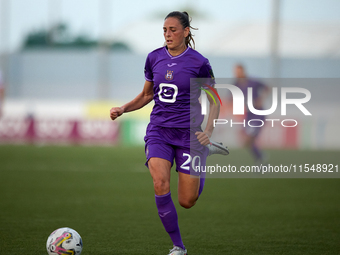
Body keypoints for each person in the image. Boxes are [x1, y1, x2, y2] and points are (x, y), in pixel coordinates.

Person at [110, 11, 224, 255]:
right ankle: (178, 247)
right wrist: (123, 108)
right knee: (160, 183)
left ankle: (203, 153)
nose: (168, 34)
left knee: (187, 201)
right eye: (164, 30)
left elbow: (215, 100)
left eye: (173, 29)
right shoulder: (154, 58)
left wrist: (208, 131)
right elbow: (147, 95)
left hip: (189, 136)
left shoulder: (199, 62)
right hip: (159, 132)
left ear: (186, 32)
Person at [233, 64, 270, 164]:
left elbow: (268, 88)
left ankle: (261, 158)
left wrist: (261, 99)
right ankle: (261, 157)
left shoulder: (253, 82)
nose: (237, 73)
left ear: (243, 71)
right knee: (246, 142)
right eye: (235, 71)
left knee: (249, 139)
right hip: (248, 115)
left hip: (258, 114)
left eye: (238, 71)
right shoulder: (236, 85)